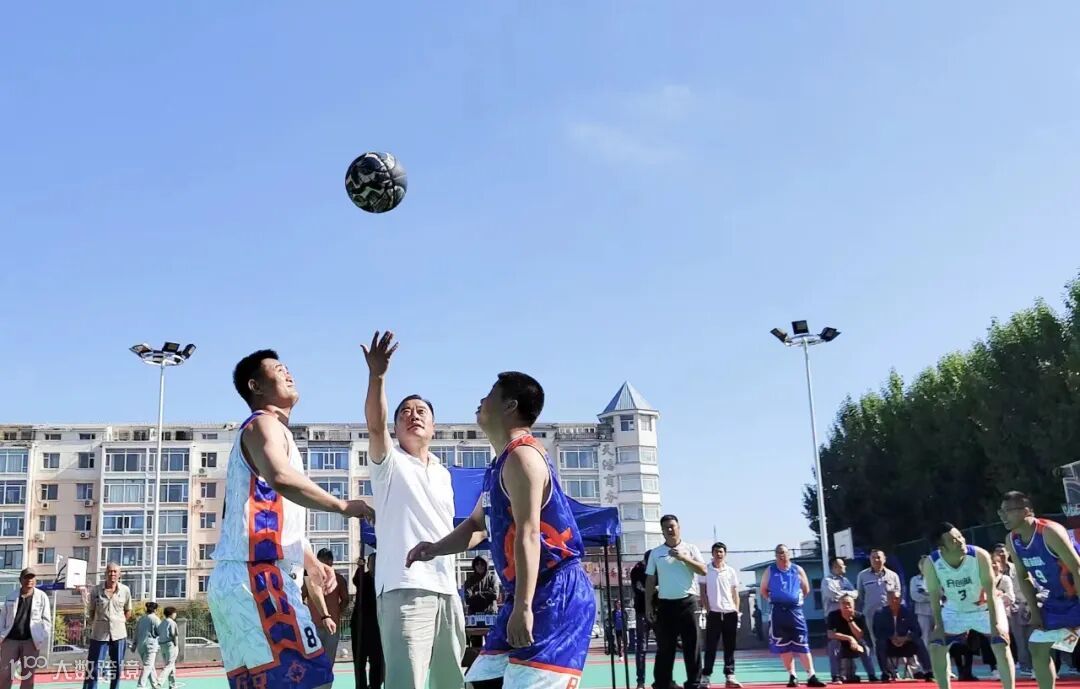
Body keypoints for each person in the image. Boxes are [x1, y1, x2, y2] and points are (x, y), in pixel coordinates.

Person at [406, 371, 596, 689]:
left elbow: (529, 533)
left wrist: (524, 606)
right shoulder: (499, 464)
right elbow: (477, 526)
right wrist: (435, 548)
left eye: (491, 392)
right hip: (524, 593)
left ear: (510, 405)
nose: (481, 399)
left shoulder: (523, 457)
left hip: (556, 592)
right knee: (479, 684)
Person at [209, 349, 374, 689]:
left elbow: (273, 506)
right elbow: (281, 478)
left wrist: (309, 560)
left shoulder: (268, 432)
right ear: (255, 385)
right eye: (278, 368)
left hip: (240, 577)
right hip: (258, 576)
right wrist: (342, 506)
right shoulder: (263, 423)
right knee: (313, 680)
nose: (289, 373)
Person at [362, 331, 465, 689]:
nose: (413, 415)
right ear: (395, 427)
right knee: (407, 682)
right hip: (404, 587)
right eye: (405, 412)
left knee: (451, 682)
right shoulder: (388, 464)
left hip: (447, 589)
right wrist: (377, 376)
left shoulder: (443, 473)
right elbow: (375, 425)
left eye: (421, 411)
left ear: (433, 427)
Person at [1001, 490, 1080, 689]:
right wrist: (1035, 613)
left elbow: (1077, 568)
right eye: (1001, 512)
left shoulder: (1049, 532)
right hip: (1057, 599)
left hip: (1076, 593)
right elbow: (1023, 577)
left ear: (1026, 511)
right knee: (1037, 646)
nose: (1003, 516)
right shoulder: (1012, 540)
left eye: (1008, 511)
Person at [923, 522, 1011, 689]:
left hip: (985, 608)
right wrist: (938, 626)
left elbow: (991, 592)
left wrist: (995, 625)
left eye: (960, 536)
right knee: (936, 646)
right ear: (941, 547)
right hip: (955, 610)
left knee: (1001, 644)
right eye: (953, 540)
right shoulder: (932, 562)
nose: (960, 541)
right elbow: (934, 597)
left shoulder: (979, 555)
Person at [646, 514, 707, 689]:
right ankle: (663, 683)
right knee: (665, 647)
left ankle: (694, 682)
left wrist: (684, 558)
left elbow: (703, 570)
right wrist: (649, 605)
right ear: (662, 531)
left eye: (672, 526)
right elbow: (650, 580)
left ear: (679, 528)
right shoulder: (656, 553)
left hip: (688, 602)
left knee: (692, 645)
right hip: (665, 604)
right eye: (666, 527)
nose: (670, 530)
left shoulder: (691, 548)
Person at [761, 544, 824, 688]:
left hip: (795, 612)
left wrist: (794, 599)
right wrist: (774, 599)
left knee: (802, 644)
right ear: (775, 555)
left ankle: (811, 675)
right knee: (784, 646)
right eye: (778, 553)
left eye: (783, 552)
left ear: (789, 554)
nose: (781, 555)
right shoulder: (770, 570)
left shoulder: (797, 569)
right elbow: (763, 590)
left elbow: (806, 589)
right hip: (778, 613)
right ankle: (792, 675)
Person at [823, 557, 875, 683]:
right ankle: (837, 675)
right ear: (835, 567)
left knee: (863, 645)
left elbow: (855, 594)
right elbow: (834, 595)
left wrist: (847, 596)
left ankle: (869, 675)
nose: (845, 567)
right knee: (834, 644)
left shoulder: (845, 580)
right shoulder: (827, 581)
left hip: (851, 620)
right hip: (836, 618)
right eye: (842, 565)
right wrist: (847, 595)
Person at [699, 542, 743, 688]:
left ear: (725, 554)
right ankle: (706, 677)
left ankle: (730, 676)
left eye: (721, 552)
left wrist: (736, 611)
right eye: (716, 551)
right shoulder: (705, 570)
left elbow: (735, 593)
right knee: (711, 646)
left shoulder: (730, 571)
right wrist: (708, 610)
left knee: (729, 646)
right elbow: (703, 592)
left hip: (730, 613)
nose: (719, 554)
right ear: (712, 553)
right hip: (714, 614)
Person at [81, 562, 132, 689]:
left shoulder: (125, 590)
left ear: (119, 574)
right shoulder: (96, 590)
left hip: (119, 635)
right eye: (110, 571)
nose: (112, 574)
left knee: (117, 667)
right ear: (105, 574)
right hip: (99, 635)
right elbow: (91, 611)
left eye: (115, 571)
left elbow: (128, 611)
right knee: (94, 667)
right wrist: (96, 624)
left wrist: (119, 622)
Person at [0, 569, 51, 689]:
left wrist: (40, 637)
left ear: (35, 580)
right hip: (10, 641)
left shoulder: (42, 597)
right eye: (26, 577)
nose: (29, 580)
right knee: (5, 674)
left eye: (32, 578)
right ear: (20, 580)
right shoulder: (11, 596)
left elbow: (46, 620)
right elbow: (2, 618)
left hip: (31, 642)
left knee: (28, 676)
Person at [856, 550, 902, 680]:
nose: (876, 560)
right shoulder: (862, 575)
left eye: (879, 557)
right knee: (877, 643)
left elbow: (898, 594)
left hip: (890, 614)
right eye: (873, 557)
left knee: (893, 639)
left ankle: (895, 669)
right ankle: (886, 671)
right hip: (871, 614)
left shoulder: (893, 575)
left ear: (884, 559)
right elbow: (861, 595)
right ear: (870, 560)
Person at [871, 590, 932, 682]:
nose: (894, 601)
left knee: (919, 641)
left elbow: (917, 631)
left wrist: (906, 638)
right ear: (887, 600)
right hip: (889, 644)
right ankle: (885, 673)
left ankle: (928, 672)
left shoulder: (908, 612)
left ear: (900, 599)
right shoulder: (880, 613)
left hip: (905, 644)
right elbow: (877, 632)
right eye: (891, 599)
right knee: (880, 643)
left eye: (896, 598)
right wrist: (891, 638)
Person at [303, 549, 350, 663]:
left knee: (329, 660)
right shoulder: (310, 579)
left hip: (332, 626)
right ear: (317, 561)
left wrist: (337, 612)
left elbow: (345, 599)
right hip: (313, 625)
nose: (326, 563)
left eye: (329, 560)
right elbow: (301, 597)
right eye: (323, 560)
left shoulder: (339, 579)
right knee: (313, 660)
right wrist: (306, 614)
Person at [351, 553, 383, 689]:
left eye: (377, 562)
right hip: (360, 625)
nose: (374, 565)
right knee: (359, 661)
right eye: (372, 563)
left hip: (377, 626)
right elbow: (355, 581)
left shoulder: (382, 579)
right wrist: (360, 567)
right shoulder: (362, 578)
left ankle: (375, 686)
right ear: (368, 564)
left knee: (377, 661)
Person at [826, 594, 869, 682]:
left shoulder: (860, 616)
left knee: (865, 647)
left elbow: (859, 635)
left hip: (856, 644)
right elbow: (830, 634)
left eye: (849, 603)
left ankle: (871, 674)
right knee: (833, 645)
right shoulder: (832, 615)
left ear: (854, 605)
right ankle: (835, 675)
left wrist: (850, 620)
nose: (846, 606)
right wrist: (849, 638)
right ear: (840, 605)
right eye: (843, 603)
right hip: (840, 643)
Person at [630, 557, 652, 689]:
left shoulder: (658, 568)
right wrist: (653, 590)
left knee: (665, 646)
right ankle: (640, 682)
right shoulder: (637, 570)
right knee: (642, 648)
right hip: (643, 612)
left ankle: (664, 680)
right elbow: (638, 589)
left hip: (657, 611)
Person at [132, 602, 161, 689]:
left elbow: (136, 632)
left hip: (141, 646)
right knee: (148, 666)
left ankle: (155, 685)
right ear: (155, 610)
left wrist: (134, 644)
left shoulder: (141, 619)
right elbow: (160, 631)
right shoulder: (155, 619)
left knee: (150, 666)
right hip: (150, 645)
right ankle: (141, 685)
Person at [157, 607, 178, 689]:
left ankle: (173, 685)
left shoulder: (162, 623)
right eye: (175, 613)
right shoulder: (172, 622)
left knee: (171, 665)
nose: (175, 614)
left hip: (162, 645)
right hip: (170, 645)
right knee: (169, 665)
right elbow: (174, 635)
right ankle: (159, 682)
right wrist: (176, 645)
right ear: (171, 614)